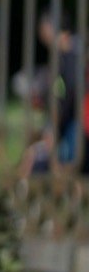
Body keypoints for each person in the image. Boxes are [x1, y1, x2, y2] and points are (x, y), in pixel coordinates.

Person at [17, 12, 86, 176]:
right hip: (69, 123)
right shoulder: (67, 54)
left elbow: (70, 94)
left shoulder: (72, 54)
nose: (43, 37)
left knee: (61, 164)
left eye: (45, 31)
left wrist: (54, 129)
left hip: (74, 125)